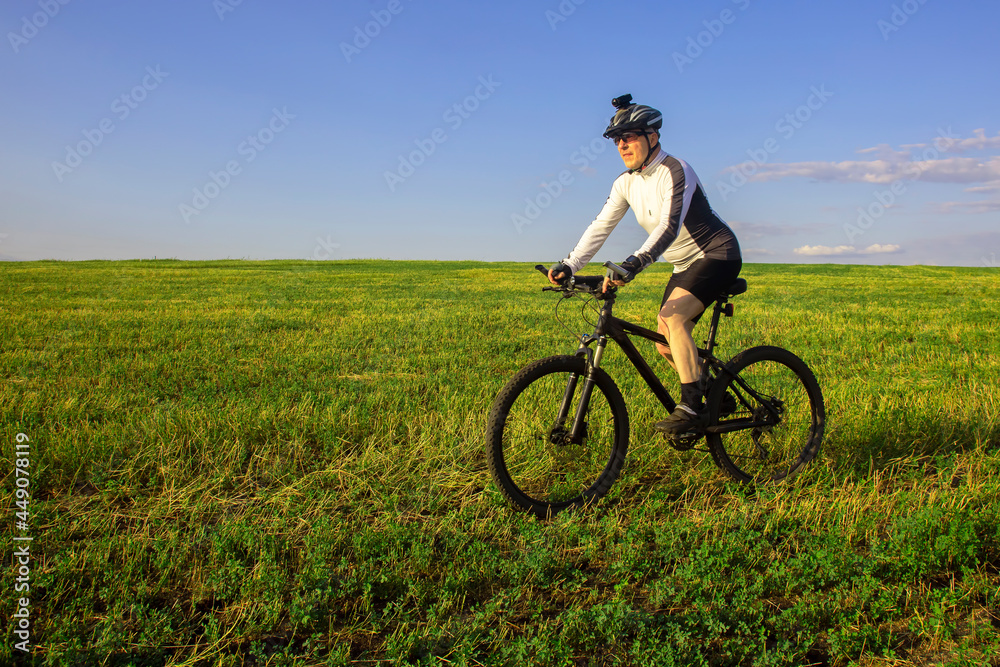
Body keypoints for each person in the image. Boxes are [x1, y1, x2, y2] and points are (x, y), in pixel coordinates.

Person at [548, 94, 742, 434]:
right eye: (617, 140)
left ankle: (692, 407)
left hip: (717, 253)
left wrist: (636, 261)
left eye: (630, 136)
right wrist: (570, 264)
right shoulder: (625, 183)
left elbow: (669, 226)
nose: (622, 145)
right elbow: (600, 226)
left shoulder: (675, 170)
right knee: (663, 340)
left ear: (652, 137)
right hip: (683, 265)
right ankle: (715, 393)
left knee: (672, 319)